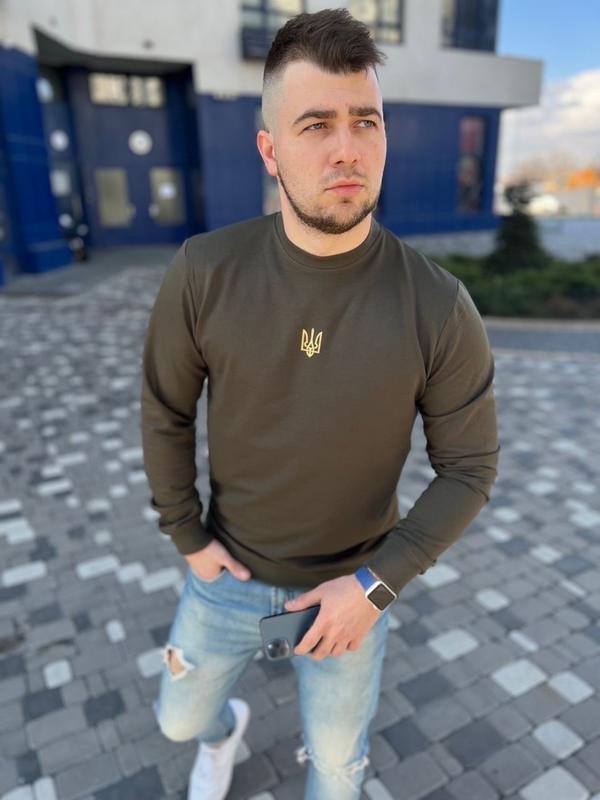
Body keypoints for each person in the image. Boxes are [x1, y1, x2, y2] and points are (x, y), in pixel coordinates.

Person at [140, 8, 500, 800]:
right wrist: (186, 534)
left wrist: (376, 586)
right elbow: (166, 408)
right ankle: (223, 733)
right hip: (226, 573)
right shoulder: (205, 271)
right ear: (270, 150)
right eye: (315, 125)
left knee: (337, 772)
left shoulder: (437, 305)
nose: (347, 149)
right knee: (176, 721)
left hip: (351, 591)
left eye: (365, 121)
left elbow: (470, 467)